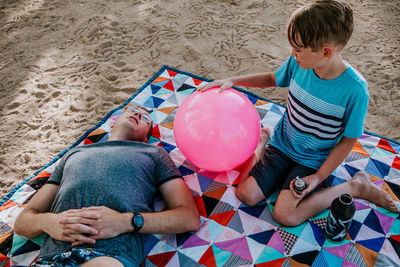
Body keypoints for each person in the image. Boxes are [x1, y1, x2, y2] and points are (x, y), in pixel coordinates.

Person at [199, 0, 399, 226]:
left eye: (298, 48)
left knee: (285, 215)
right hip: (282, 146)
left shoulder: (355, 90)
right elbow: (273, 79)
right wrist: (233, 80)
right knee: (246, 194)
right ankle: (263, 140)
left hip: (313, 160)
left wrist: (317, 177)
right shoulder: (299, 64)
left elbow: (348, 140)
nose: (293, 53)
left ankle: (354, 186)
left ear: (325, 52)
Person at [14, 105, 201, 266]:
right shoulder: (74, 153)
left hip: (110, 255)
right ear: (113, 123)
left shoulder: (154, 153)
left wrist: (125, 222)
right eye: (132, 111)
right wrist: (49, 223)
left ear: (146, 138)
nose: (137, 115)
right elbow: (22, 222)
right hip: (51, 258)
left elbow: (189, 217)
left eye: (145, 118)